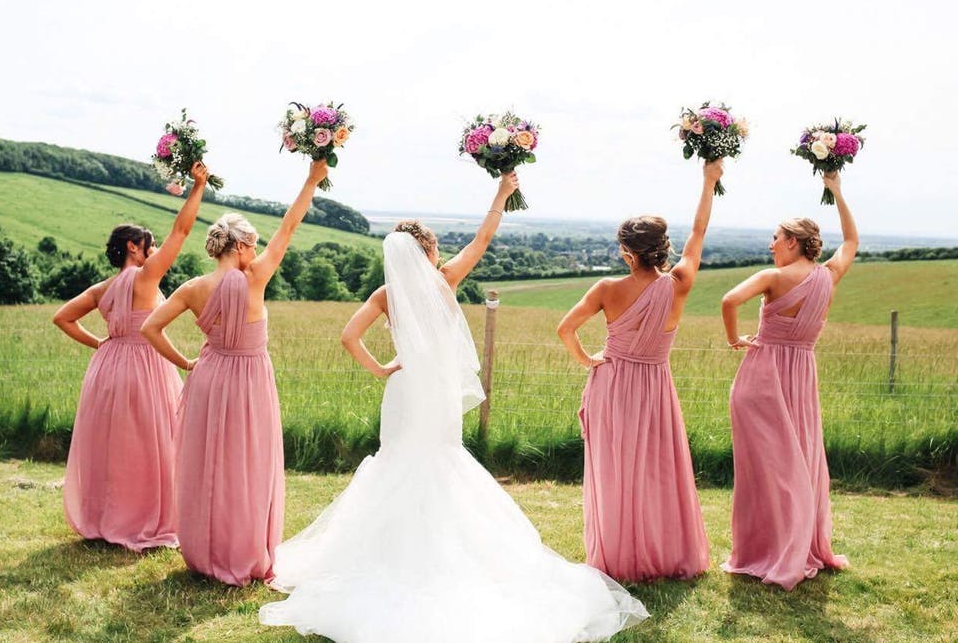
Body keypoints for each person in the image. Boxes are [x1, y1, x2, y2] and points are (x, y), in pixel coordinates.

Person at [260, 173, 647, 643]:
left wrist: (383, 369)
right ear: (426, 252)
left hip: (403, 393)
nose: (440, 253)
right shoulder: (445, 281)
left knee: (399, 464)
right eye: (436, 247)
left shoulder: (387, 295)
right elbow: (484, 237)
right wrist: (502, 193)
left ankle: (393, 554)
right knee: (440, 463)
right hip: (437, 395)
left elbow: (348, 336)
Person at [140, 160, 327, 585]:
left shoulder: (191, 288)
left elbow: (150, 328)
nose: (257, 252)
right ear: (241, 246)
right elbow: (290, 225)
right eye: (253, 244)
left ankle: (205, 553)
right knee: (247, 465)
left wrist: (185, 362)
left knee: (208, 465)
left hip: (208, 376)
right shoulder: (256, 277)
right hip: (249, 381)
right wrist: (312, 181)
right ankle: (243, 551)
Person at [556, 160, 720, 581]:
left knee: (614, 471)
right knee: (657, 469)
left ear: (627, 253)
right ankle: (663, 551)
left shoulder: (607, 289)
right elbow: (699, 234)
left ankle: (617, 555)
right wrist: (709, 181)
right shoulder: (679, 282)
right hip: (655, 385)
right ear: (661, 249)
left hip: (612, 382)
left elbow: (565, 329)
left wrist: (587, 360)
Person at [53, 161, 209, 550]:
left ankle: (105, 518)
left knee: (110, 446)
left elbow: (63, 318)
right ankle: (144, 518)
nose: (154, 251)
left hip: (106, 370)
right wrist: (198, 187)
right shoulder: (146, 277)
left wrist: (102, 344)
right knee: (151, 443)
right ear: (134, 249)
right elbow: (183, 231)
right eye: (149, 245)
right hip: (146, 367)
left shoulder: (100, 289)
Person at [720, 171, 856, 590]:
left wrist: (734, 339)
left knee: (766, 468)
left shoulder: (773, 277)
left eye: (776, 238)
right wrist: (836, 190)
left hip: (763, 375)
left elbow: (728, 300)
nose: (770, 245)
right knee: (798, 461)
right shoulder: (828, 276)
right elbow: (851, 241)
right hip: (801, 376)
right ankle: (796, 544)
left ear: (793, 242)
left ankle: (770, 549)